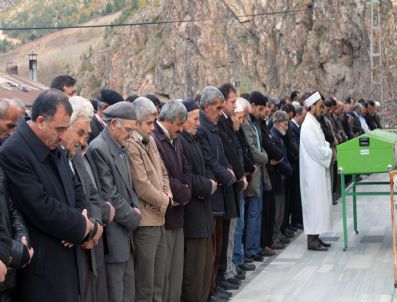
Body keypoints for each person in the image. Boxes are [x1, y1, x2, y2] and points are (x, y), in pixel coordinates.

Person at [0, 89, 94, 302]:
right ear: (41, 121)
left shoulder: (54, 145)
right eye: (59, 129)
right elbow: (39, 206)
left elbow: (77, 187)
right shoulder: (15, 152)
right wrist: (80, 226)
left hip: (66, 262)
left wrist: (82, 217)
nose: (63, 135)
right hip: (42, 270)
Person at [87, 101, 142, 302]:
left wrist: (136, 206)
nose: (131, 135)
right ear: (113, 125)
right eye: (128, 129)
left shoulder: (120, 146)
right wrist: (133, 217)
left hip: (124, 236)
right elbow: (110, 195)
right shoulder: (99, 148)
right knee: (115, 295)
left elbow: (129, 187)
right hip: (113, 237)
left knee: (128, 293)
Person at [62, 96, 111, 302]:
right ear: (65, 126)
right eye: (80, 133)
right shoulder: (57, 156)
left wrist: (97, 224)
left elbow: (92, 195)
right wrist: (84, 228)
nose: (84, 142)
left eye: (86, 134)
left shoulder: (76, 156)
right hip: (71, 249)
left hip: (90, 243)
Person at [126, 97, 171, 302]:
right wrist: (164, 200)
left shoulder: (150, 140)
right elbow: (141, 185)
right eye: (149, 123)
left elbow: (162, 171)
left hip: (159, 216)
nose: (153, 128)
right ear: (136, 123)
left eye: (154, 122)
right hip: (145, 222)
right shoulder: (131, 145)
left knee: (158, 281)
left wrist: (167, 194)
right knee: (146, 284)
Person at [196, 86, 235, 300]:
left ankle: (215, 286)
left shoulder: (213, 125)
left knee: (218, 245)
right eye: (218, 108)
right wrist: (227, 175)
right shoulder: (202, 128)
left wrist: (229, 168)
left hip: (220, 194)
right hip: (212, 195)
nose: (221, 112)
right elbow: (209, 160)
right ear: (206, 107)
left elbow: (221, 155)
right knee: (211, 248)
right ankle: (210, 290)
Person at [152, 100, 191, 302]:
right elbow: (162, 175)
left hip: (178, 212)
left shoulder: (176, 140)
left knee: (176, 273)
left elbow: (186, 172)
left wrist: (184, 192)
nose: (181, 129)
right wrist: (183, 192)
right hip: (165, 217)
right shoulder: (155, 140)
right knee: (164, 275)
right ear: (167, 120)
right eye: (178, 124)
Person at [179, 99, 217, 302]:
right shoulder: (181, 142)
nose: (198, 123)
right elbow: (188, 177)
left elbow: (204, 167)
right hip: (192, 217)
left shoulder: (192, 139)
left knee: (204, 268)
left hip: (203, 214)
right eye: (194, 119)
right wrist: (208, 185)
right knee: (193, 273)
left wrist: (210, 181)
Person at [0, 99, 33, 302]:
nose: (12, 132)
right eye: (9, 125)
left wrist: (21, 235)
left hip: (8, 270)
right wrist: (16, 251)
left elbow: (10, 205)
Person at [300, 91, 333, 251]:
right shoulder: (307, 125)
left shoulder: (314, 123)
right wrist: (329, 150)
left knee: (319, 206)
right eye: (319, 106)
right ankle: (312, 240)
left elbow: (323, 144)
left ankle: (317, 237)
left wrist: (326, 148)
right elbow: (318, 150)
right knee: (314, 206)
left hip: (318, 170)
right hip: (312, 174)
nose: (322, 109)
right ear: (312, 106)